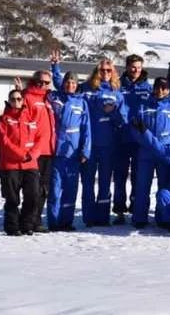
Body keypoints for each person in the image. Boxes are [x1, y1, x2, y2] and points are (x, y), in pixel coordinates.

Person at [55, 59, 127, 227]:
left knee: (104, 183)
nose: (106, 73)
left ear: (113, 72)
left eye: (109, 70)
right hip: (87, 146)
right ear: (97, 71)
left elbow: (123, 121)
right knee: (87, 183)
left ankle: (102, 218)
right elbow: (65, 87)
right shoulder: (85, 89)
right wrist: (56, 69)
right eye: (102, 70)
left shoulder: (117, 93)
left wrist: (113, 112)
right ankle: (89, 218)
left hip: (107, 146)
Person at [130, 77, 170, 228]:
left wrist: (162, 144)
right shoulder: (143, 105)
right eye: (158, 87)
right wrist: (150, 143)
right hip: (146, 153)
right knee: (142, 186)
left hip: (166, 154)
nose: (160, 91)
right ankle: (139, 218)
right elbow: (135, 130)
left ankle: (163, 218)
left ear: (169, 89)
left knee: (165, 186)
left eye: (164, 88)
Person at [47, 71, 91, 231]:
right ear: (63, 83)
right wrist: (55, 68)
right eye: (68, 82)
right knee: (55, 189)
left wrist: (85, 151)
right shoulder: (54, 98)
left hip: (74, 153)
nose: (70, 85)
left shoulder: (82, 103)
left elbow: (87, 129)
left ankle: (66, 221)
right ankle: (54, 221)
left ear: (77, 85)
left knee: (71, 190)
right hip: (57, 152)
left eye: (73, 83)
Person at [0, 90, 41, 235]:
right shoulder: (3, 119)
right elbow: (3, 142)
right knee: (12, 199)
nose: (16, 102)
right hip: (10, 166)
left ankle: (27, 225)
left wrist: (32, 154)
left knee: (33, 196)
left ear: (23, 101)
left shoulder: (31, 118)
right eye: (13, 99)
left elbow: (40, 139)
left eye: (19, 99)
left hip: (30, 165)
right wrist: (22, 155)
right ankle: (12, 227)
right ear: (9, 101)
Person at [17, 69, 55, 233]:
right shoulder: (28, 97)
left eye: (47, 82)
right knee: (32, 189)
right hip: (34, 151)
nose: (43, 85)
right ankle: (28, 220)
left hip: (49, 150)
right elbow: (19, 117)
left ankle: (36, 219)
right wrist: (20, 92)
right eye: (41, 81)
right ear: (34, 80)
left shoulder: (48, 99)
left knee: (44, 189)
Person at [114, 53, 151, 224]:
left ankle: (136, 209)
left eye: (139, 67)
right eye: (132, 66)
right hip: (121, 137)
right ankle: (120, 211)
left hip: (139, 139)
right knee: (120, 176)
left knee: (138, 176)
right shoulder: (117, 84)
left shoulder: (148, 87)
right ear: (127, 67)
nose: (135, 70)